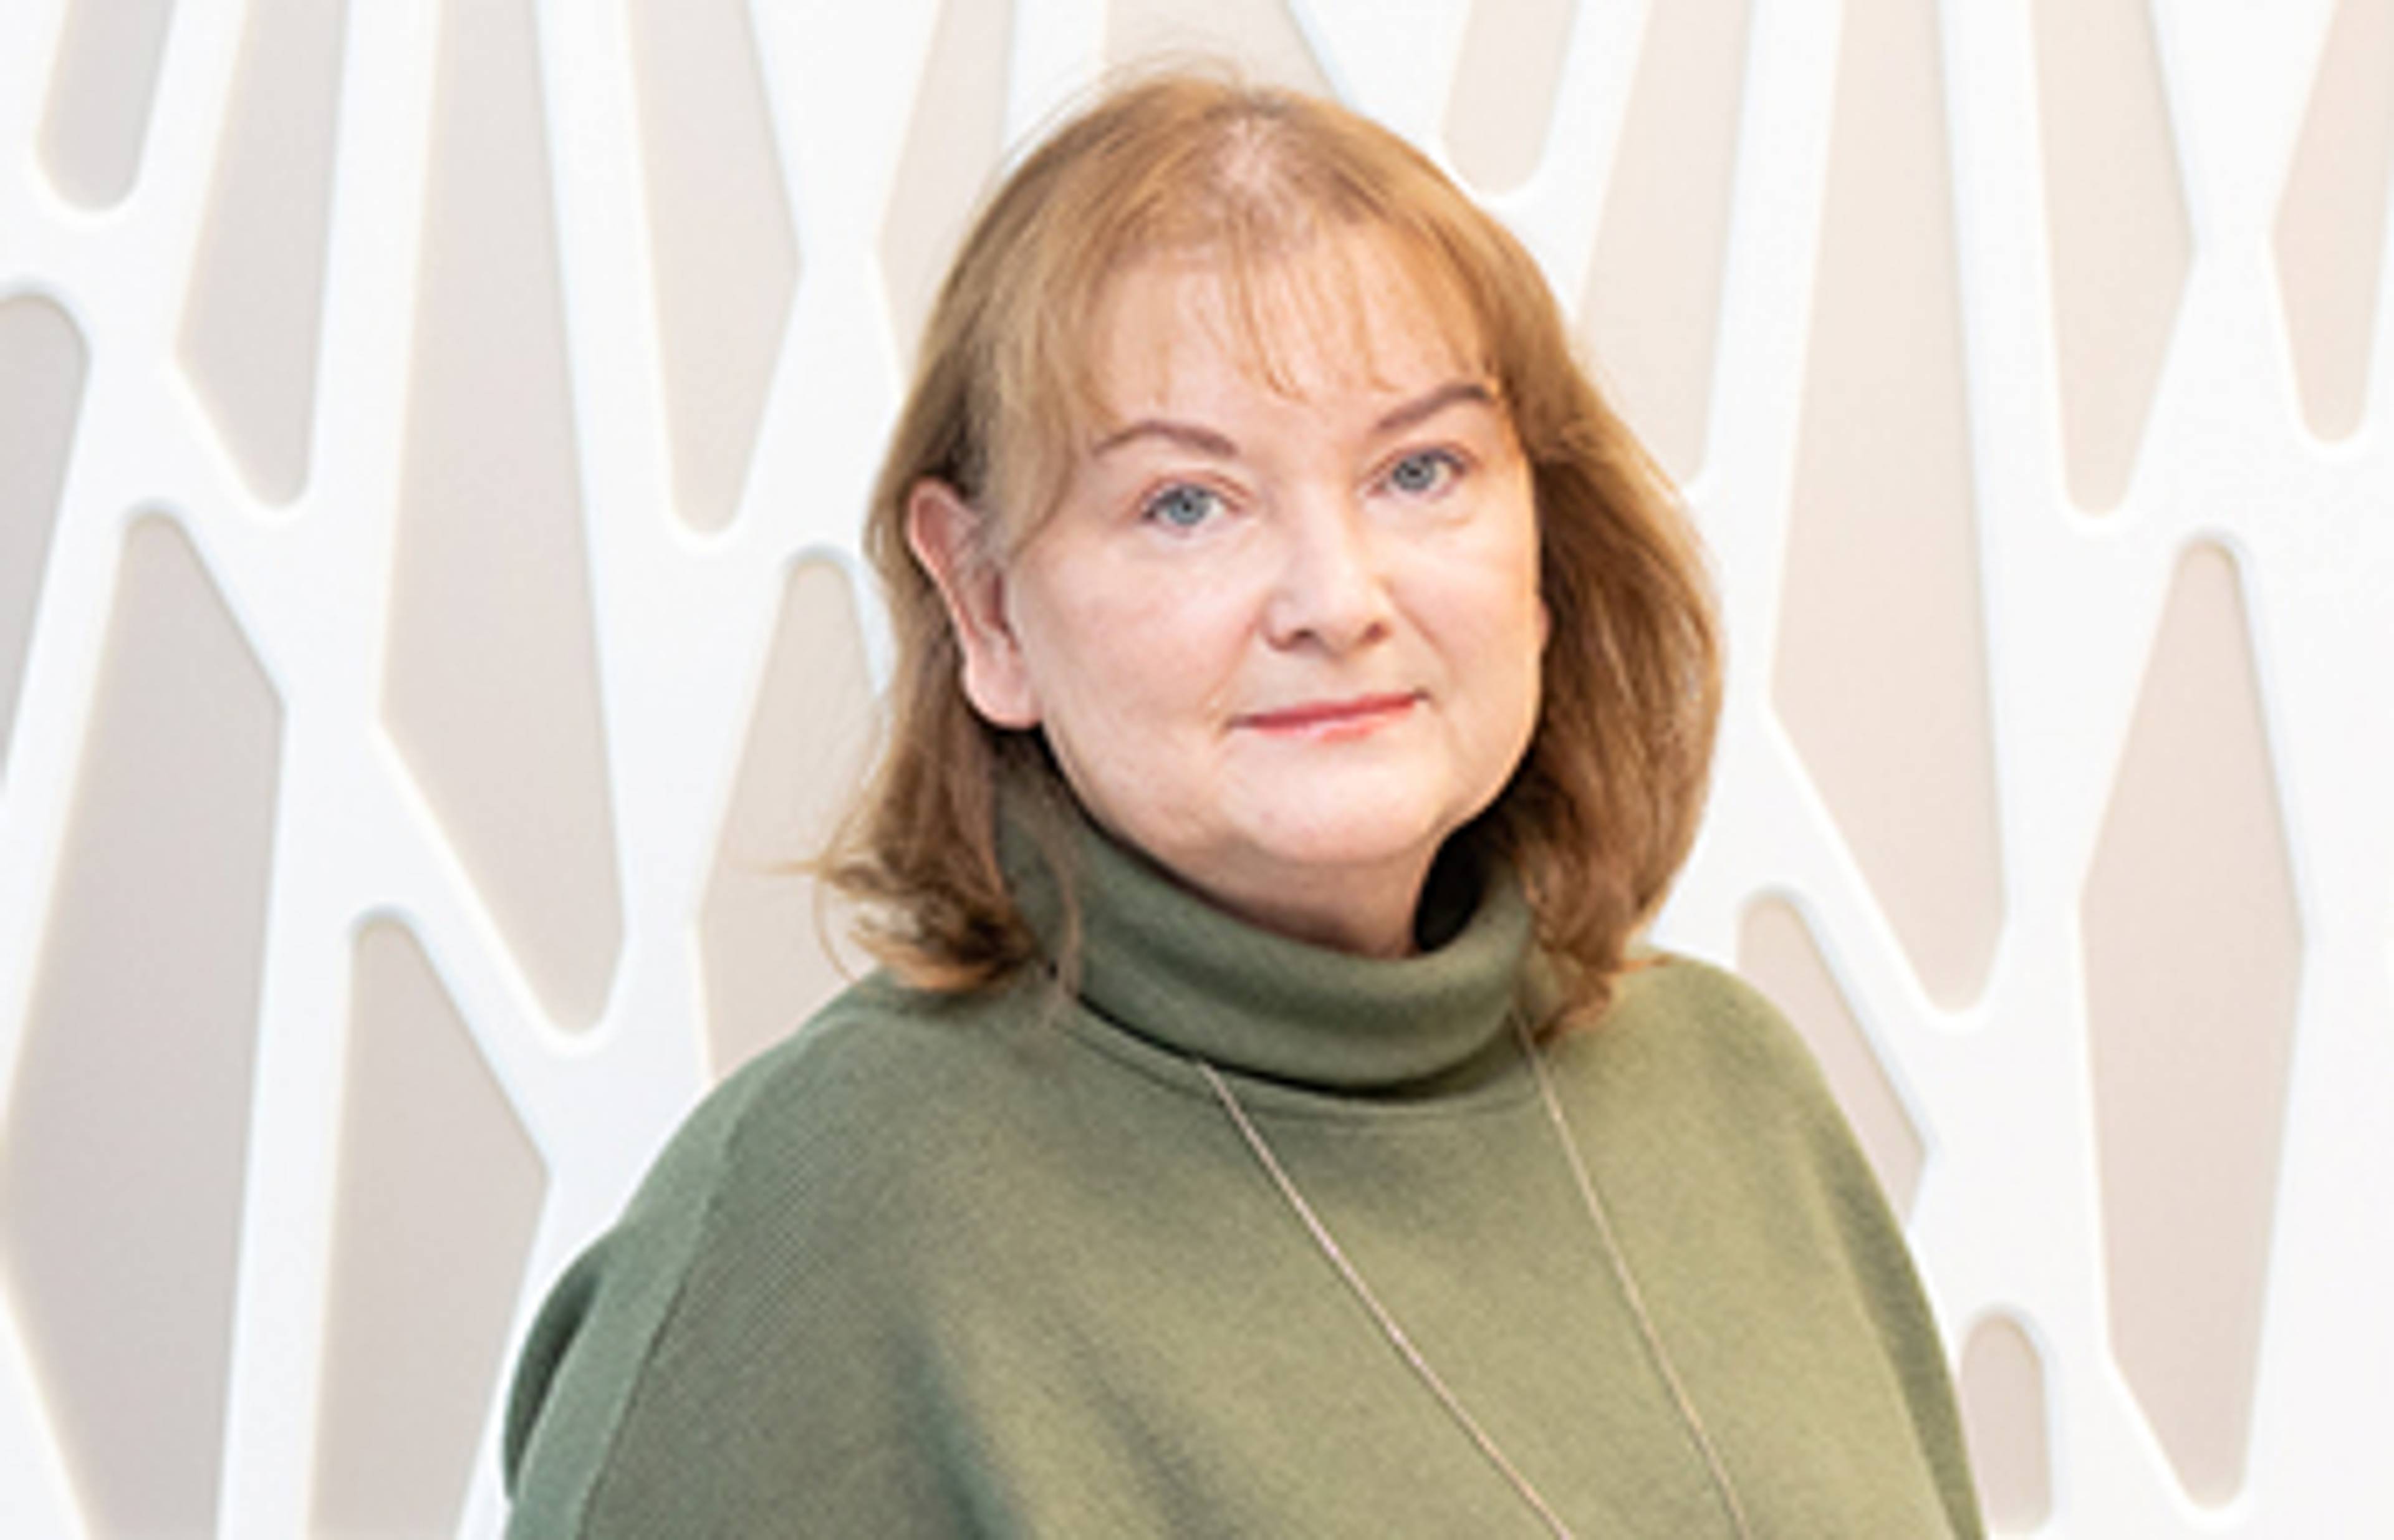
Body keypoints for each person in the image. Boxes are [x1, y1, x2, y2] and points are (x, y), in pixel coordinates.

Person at [501, 71, 1985, 1538]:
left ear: (1545, 549)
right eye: (1186, 502)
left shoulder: (1736, 1092)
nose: (1337, 598)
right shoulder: (825, 1221)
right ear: (987, 602)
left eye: (1420, 469)